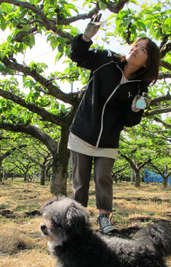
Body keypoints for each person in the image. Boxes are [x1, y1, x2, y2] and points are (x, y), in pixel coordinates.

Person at [68, 15, 160, 234]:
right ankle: (76, 221)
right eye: (136, 45)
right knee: (80, 181)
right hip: (83, 132)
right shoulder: (105, 59)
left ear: (147, 62)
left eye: (143, 49)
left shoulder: (140, 89)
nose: (136, 49)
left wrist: (136, 109)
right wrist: (86, 37)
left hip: (108, 139)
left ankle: (104, 219)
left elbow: (130, 122)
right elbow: (78, 56)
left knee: (103, 178)